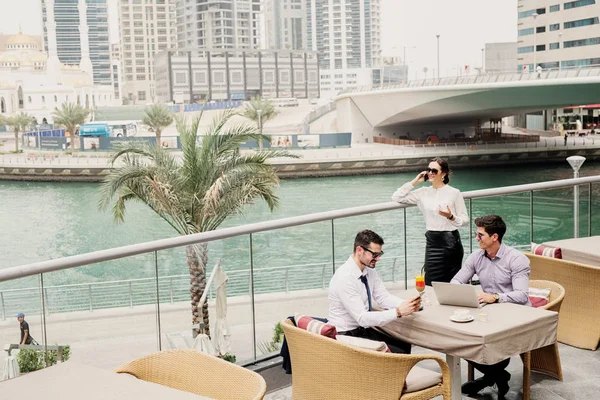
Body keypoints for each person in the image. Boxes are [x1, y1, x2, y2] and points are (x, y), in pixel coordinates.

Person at [450, 215, 531, 399]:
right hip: (489, 314)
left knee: (486, 342)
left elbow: (522, 295)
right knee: (460, 339)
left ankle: (490, 377)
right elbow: (458, 279)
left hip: (517, 315)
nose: (477, 238)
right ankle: (497, 376)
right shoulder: (477, 257)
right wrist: (455, 290)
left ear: (494, 237)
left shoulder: (517, 259)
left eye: (480, 235)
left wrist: (495, 297)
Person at [328, 229, 421, 354]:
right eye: (374, 255)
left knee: (403, 343)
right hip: (346, 334)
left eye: (379, 254)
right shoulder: (345, 277)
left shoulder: (369, 271)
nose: (378, 259)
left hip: (362, 330)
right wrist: (398, 312)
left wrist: (407, 304)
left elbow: (383, 297)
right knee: (399, 351)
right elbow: (362, 318)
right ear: (359, 250)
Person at [392, 158, 468, 285]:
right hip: (432, 243)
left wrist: (451, 217)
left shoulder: (454, 193)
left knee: (452, 283)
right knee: (430, 282)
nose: (430, 173)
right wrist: (415, 181)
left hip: (451, 243)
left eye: (434, 170)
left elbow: (465, 219)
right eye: (428, 170)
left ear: (443, 173)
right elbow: (396, 197)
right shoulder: (422, 192)